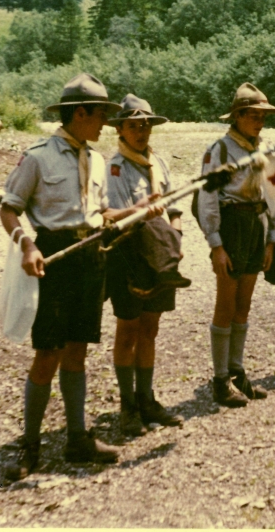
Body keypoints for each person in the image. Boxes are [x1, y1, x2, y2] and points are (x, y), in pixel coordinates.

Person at [0, 74, 153, 480]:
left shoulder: (97, 160)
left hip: (91, 258)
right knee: (47, 352)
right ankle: (29, 447)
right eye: (101, 115)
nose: (105, 123)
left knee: (78, 350)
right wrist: (27, 245)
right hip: (54, 257)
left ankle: (77, 440)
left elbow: (101, 214)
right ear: (79, 113)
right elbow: (8, 209)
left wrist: (141, 208)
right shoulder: (37, 157)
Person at [105, 94, 186, 436]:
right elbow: (112, 216)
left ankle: (146, 398)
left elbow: (174, 205)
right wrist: (142, 210)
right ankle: (127, 406)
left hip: (159, 255)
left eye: (146, 125)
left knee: (150, 328)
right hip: (130, 254)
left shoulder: (159, 163)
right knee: (129, 329)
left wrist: (176, 236)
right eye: (134, 125)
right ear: (120, 130)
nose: (141, 131)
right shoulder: (115, 168)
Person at [197, 83, 275, 407]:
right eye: (253, 115)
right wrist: (216, 244)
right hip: (231, 224)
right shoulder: (219, 150)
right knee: (226, 303)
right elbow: (208, 198)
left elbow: (272, 194)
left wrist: (271, 238)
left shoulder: (265, 149)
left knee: (244, 303)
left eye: (263, 116)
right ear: (238, 116)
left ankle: (237, 371)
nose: (260, 121)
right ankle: (220, 380)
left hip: (255, 225)